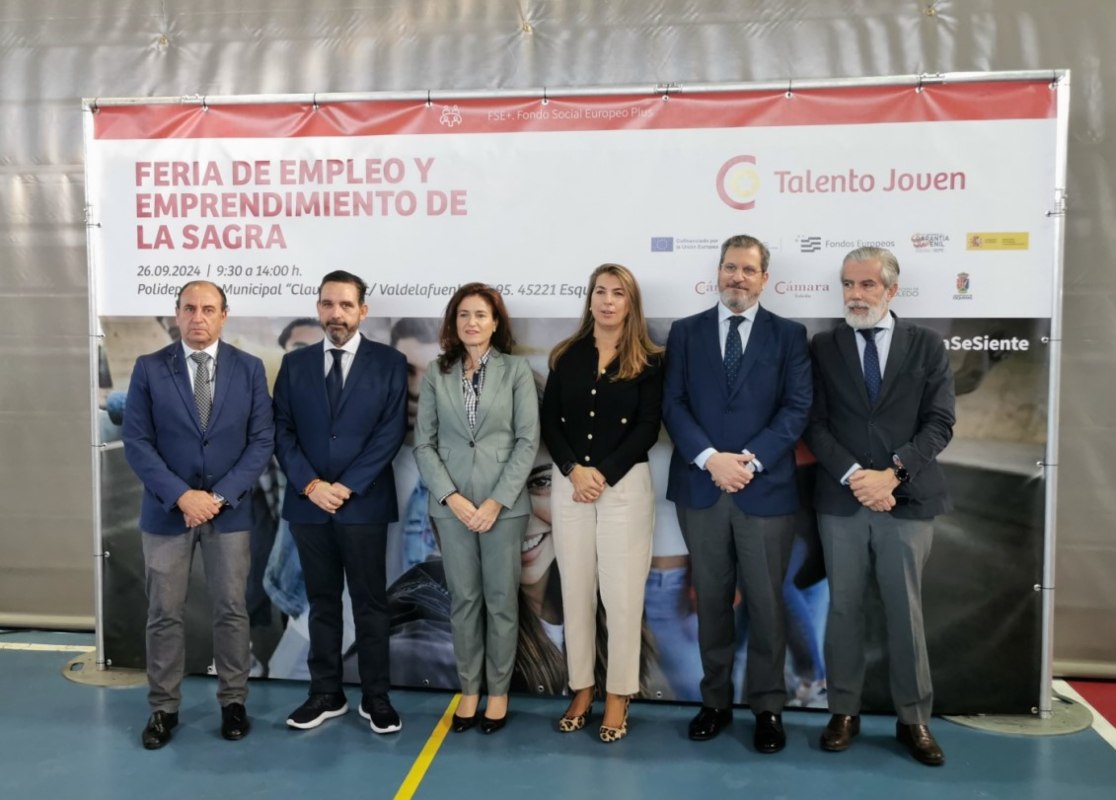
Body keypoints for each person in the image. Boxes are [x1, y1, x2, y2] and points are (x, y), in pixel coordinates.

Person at [804, 246, 955, 766]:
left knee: (904, 612)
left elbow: (940, 423)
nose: (855, 294)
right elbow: (814, 423)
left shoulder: (927, 346)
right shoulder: (823, 347)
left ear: (892, 290)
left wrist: (892, 474)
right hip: (842, 499)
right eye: (848, 284)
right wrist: (855, 476)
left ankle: (913, 719)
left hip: (906, 498)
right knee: (842, 609)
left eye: (867, 285)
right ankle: (842, 710)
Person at [661, 234, 811, 754]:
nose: (737, 278)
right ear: (718, 272)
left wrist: (747, 461)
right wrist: (711, 460)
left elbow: (797, 408)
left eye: (748, 270)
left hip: (764, 488)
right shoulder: (686, 332)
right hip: (701, 487)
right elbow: (673, 404)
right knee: (713, 602)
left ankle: (767, 706)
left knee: (767, 604)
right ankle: (715, 701)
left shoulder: (790, 335)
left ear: (765, 278)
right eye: (730, 268)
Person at [122, 280, 274, 749]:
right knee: (164, 613)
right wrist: (183, 496)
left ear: (224, 316)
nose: (198, 318)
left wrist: (220, 496)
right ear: (176, 313)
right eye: (190, 308)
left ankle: (233, 702)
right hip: (169, 513)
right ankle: (163, 709)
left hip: (229, 513)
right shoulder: (149, 368)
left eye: (209, 309)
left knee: (232, 609)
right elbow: (137, 442)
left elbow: (261, 442)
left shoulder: (248, 369)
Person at [273, 269, 408, 735]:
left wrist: (345, 487)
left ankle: (377, 698)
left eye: (346, 305)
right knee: (321, 603)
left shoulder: (389, 363)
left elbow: (390, 433)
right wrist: (313, 486)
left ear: (362, 311)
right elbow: (282, 432)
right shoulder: (295, 365)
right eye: (328, 304)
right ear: (319, 308)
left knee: (370, 604)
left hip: (363, 504)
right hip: (309, 506)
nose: (337, 314)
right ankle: (325, 694)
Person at [542, 263, 664, 743]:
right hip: (570, 485)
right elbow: (550, 422)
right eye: (600, 292)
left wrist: (602, 474)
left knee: (622, 598)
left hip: (624, 490)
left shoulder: (651, 359)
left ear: (631, 304)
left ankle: (618, 696)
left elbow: (647, 428)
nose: (608, 301)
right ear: (589, 299)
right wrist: (575, 470)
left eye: (618, 293)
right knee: (574, 591)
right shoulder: (567, 355)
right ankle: (582, 688)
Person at [413, 283, 539, 733]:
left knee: (502, 601)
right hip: (452, 508)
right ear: (454, 322)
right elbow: (423, 444)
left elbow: (528, 442)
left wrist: (493, 502)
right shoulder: (436, 372)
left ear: (495, 321)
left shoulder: (515, 371)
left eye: (481, 315)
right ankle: (470, 691)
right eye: (464, 314)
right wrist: (454, 498)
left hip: (503, 507)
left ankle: (498, 693)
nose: (472, 322)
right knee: (465, 601)